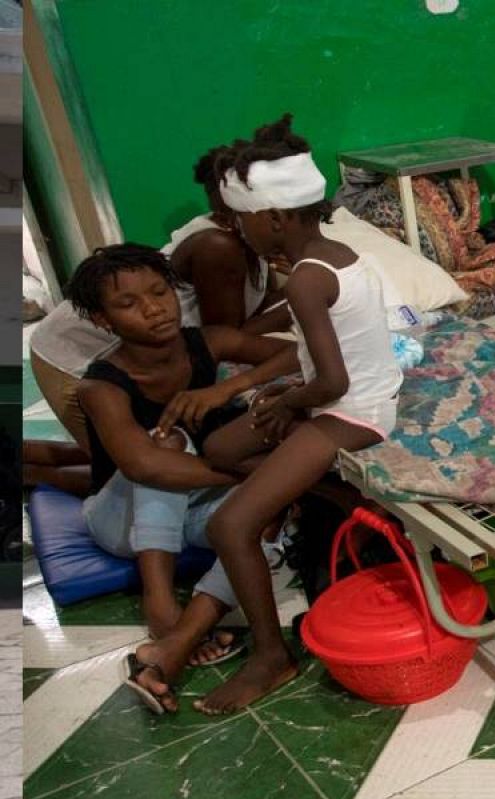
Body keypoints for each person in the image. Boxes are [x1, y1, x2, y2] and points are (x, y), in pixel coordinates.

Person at [180, 114, 402, 715]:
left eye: (241, 219)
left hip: (352, 411)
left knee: (230, 526)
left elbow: (334, 380)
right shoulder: (335, 252)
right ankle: (318, 493)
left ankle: (270, 658)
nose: (236, 230)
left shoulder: (306, 281)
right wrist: (287, 397)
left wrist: (286, 400)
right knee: (222, 450)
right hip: (335, 397)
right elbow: (328, 360)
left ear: (275, 218)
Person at [63, 244, 299, 712]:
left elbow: (295, 355)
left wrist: (227, 387)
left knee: (271, 512)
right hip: (120, 520)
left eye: (160, 292)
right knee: (165, 442)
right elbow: (142, 467)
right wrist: (252, 474)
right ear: (102, 319)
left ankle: (177, 640)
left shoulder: (207, 342)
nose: (154, 310)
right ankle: (160, 602)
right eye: (129, 304)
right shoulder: (101, 385)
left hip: (195, 508)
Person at [27, 140, 285, 453]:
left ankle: (30, 460)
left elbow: (265, 305)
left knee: (148, 456)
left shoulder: (252, 241)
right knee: (120, 469)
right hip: (72, 352)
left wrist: (299, 281)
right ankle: (27, 466)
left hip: (138, 353)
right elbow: (223, 341)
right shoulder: (219, 248)